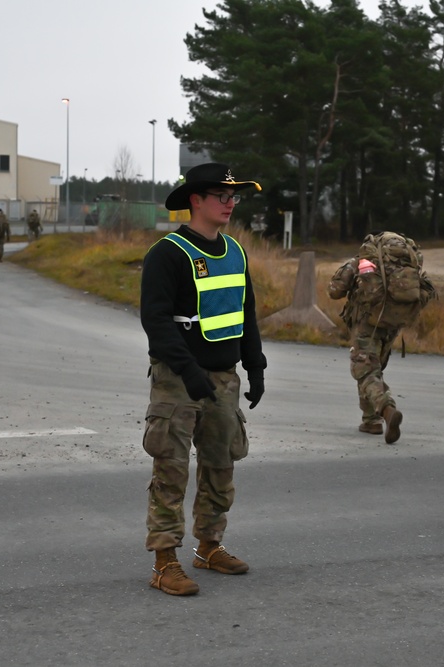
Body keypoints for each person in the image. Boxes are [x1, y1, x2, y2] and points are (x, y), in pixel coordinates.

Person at [140, 162, 267, 596]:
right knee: (171, 470)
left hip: (224, 378)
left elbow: (245, 313)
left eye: (235, 197)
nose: (231, 203)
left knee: (220, 464)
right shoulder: (168, 253)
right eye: (222, 196)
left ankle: (209, 547)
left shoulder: (235, 250)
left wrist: (255, 365)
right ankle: (164, 562)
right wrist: (190, 371)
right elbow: (156, 321)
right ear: (196, 200)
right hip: (178, 379)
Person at [327, 232, 429, 444]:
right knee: (374, 369)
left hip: (366, 324)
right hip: (391, 325)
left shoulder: (363, 262)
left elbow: (335, 291)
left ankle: (386, 408)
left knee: (365, 372)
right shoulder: (407, 265)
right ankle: (371, 420)